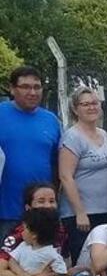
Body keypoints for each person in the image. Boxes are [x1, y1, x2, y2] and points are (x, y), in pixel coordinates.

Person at [0, 66, 61, 238]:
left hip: (41, 213)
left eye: (37, 87)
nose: (32, 92)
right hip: (5, 212)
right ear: (12, 89)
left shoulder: (51, 121)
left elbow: (57, 164)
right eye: (25, 87)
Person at [58, 86, 107, 262]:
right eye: (85, 104)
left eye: (95, 103)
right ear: (75, 109)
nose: (92, 107)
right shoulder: (72, 137)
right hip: (80, 214)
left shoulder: (104, 134)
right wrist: (80, 212)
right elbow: (65, 176)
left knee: (101, 261)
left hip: (103, 208)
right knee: (83, 263)